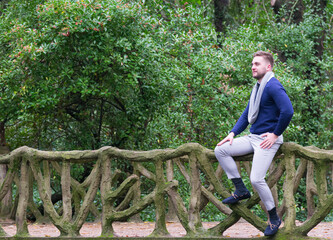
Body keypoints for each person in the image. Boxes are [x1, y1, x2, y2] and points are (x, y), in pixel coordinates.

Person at [214, 51, 294, 236]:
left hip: (267, 140)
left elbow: (287, 111)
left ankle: (274, 218)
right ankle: (240, 190)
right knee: (221, 149)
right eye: (252, 63)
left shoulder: (273, 86)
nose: (253, 66)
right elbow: (247, 113)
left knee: (256, 179)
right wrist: (232, 133)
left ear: (268, 67)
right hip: (253, 137)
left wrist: (275, 135)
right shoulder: (258, 87)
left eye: (257, 64)